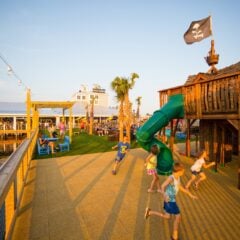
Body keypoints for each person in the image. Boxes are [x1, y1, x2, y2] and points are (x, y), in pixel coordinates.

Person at [144, 162, 197, 240]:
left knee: (167, 216)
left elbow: (180, 187)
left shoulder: (178, 177)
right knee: (178, 217)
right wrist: (165, 196)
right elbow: (162, 186)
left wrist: (190, 194)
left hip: (170, 200)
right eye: (182, 171)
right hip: (170, 201)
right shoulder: (171, 178)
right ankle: (174, 237)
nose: (183, 172)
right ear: (178, 171)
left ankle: (150, 212)